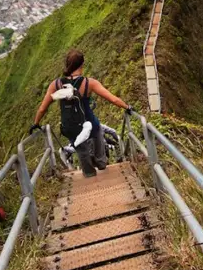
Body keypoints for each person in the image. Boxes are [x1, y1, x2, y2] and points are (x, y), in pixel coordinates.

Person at [30, 49, 133, 178]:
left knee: (82, 153)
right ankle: (100, 164)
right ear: (82, 64)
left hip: (71, 128)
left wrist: (36, 123)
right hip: (91, 125)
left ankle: (89, 174)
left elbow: (42, 108)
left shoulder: (56, 84)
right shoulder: (89, 83)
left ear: (67, 64)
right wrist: (127, 107)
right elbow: (113, 99)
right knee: (100, 158)